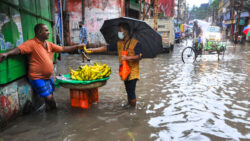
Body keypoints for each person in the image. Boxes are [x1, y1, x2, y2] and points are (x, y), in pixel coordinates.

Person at [0, 23, 84, 111]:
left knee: (50, 100)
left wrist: (76, 47)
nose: (49, 33)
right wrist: (6, 54)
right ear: (40, 32)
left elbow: (62, 49)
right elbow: (19, 49)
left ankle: (49, 117)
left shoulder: (49, 44)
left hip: (48, 77)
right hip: (37, 78)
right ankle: (54, 118)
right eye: (46, 30)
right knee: (50, 99)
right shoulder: (31, 43)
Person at [85, 22, 142, 107]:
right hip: (124, 70)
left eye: (120, 30)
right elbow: (106, 48)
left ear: (126, 31)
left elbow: (139, 56)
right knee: (128, 90)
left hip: (132, 72)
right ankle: (129, 106)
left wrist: (127, 58)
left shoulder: (136, 43)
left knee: (131, 91)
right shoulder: (119, 43)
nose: (119, 32)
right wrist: (92, 50)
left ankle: (133, 110)